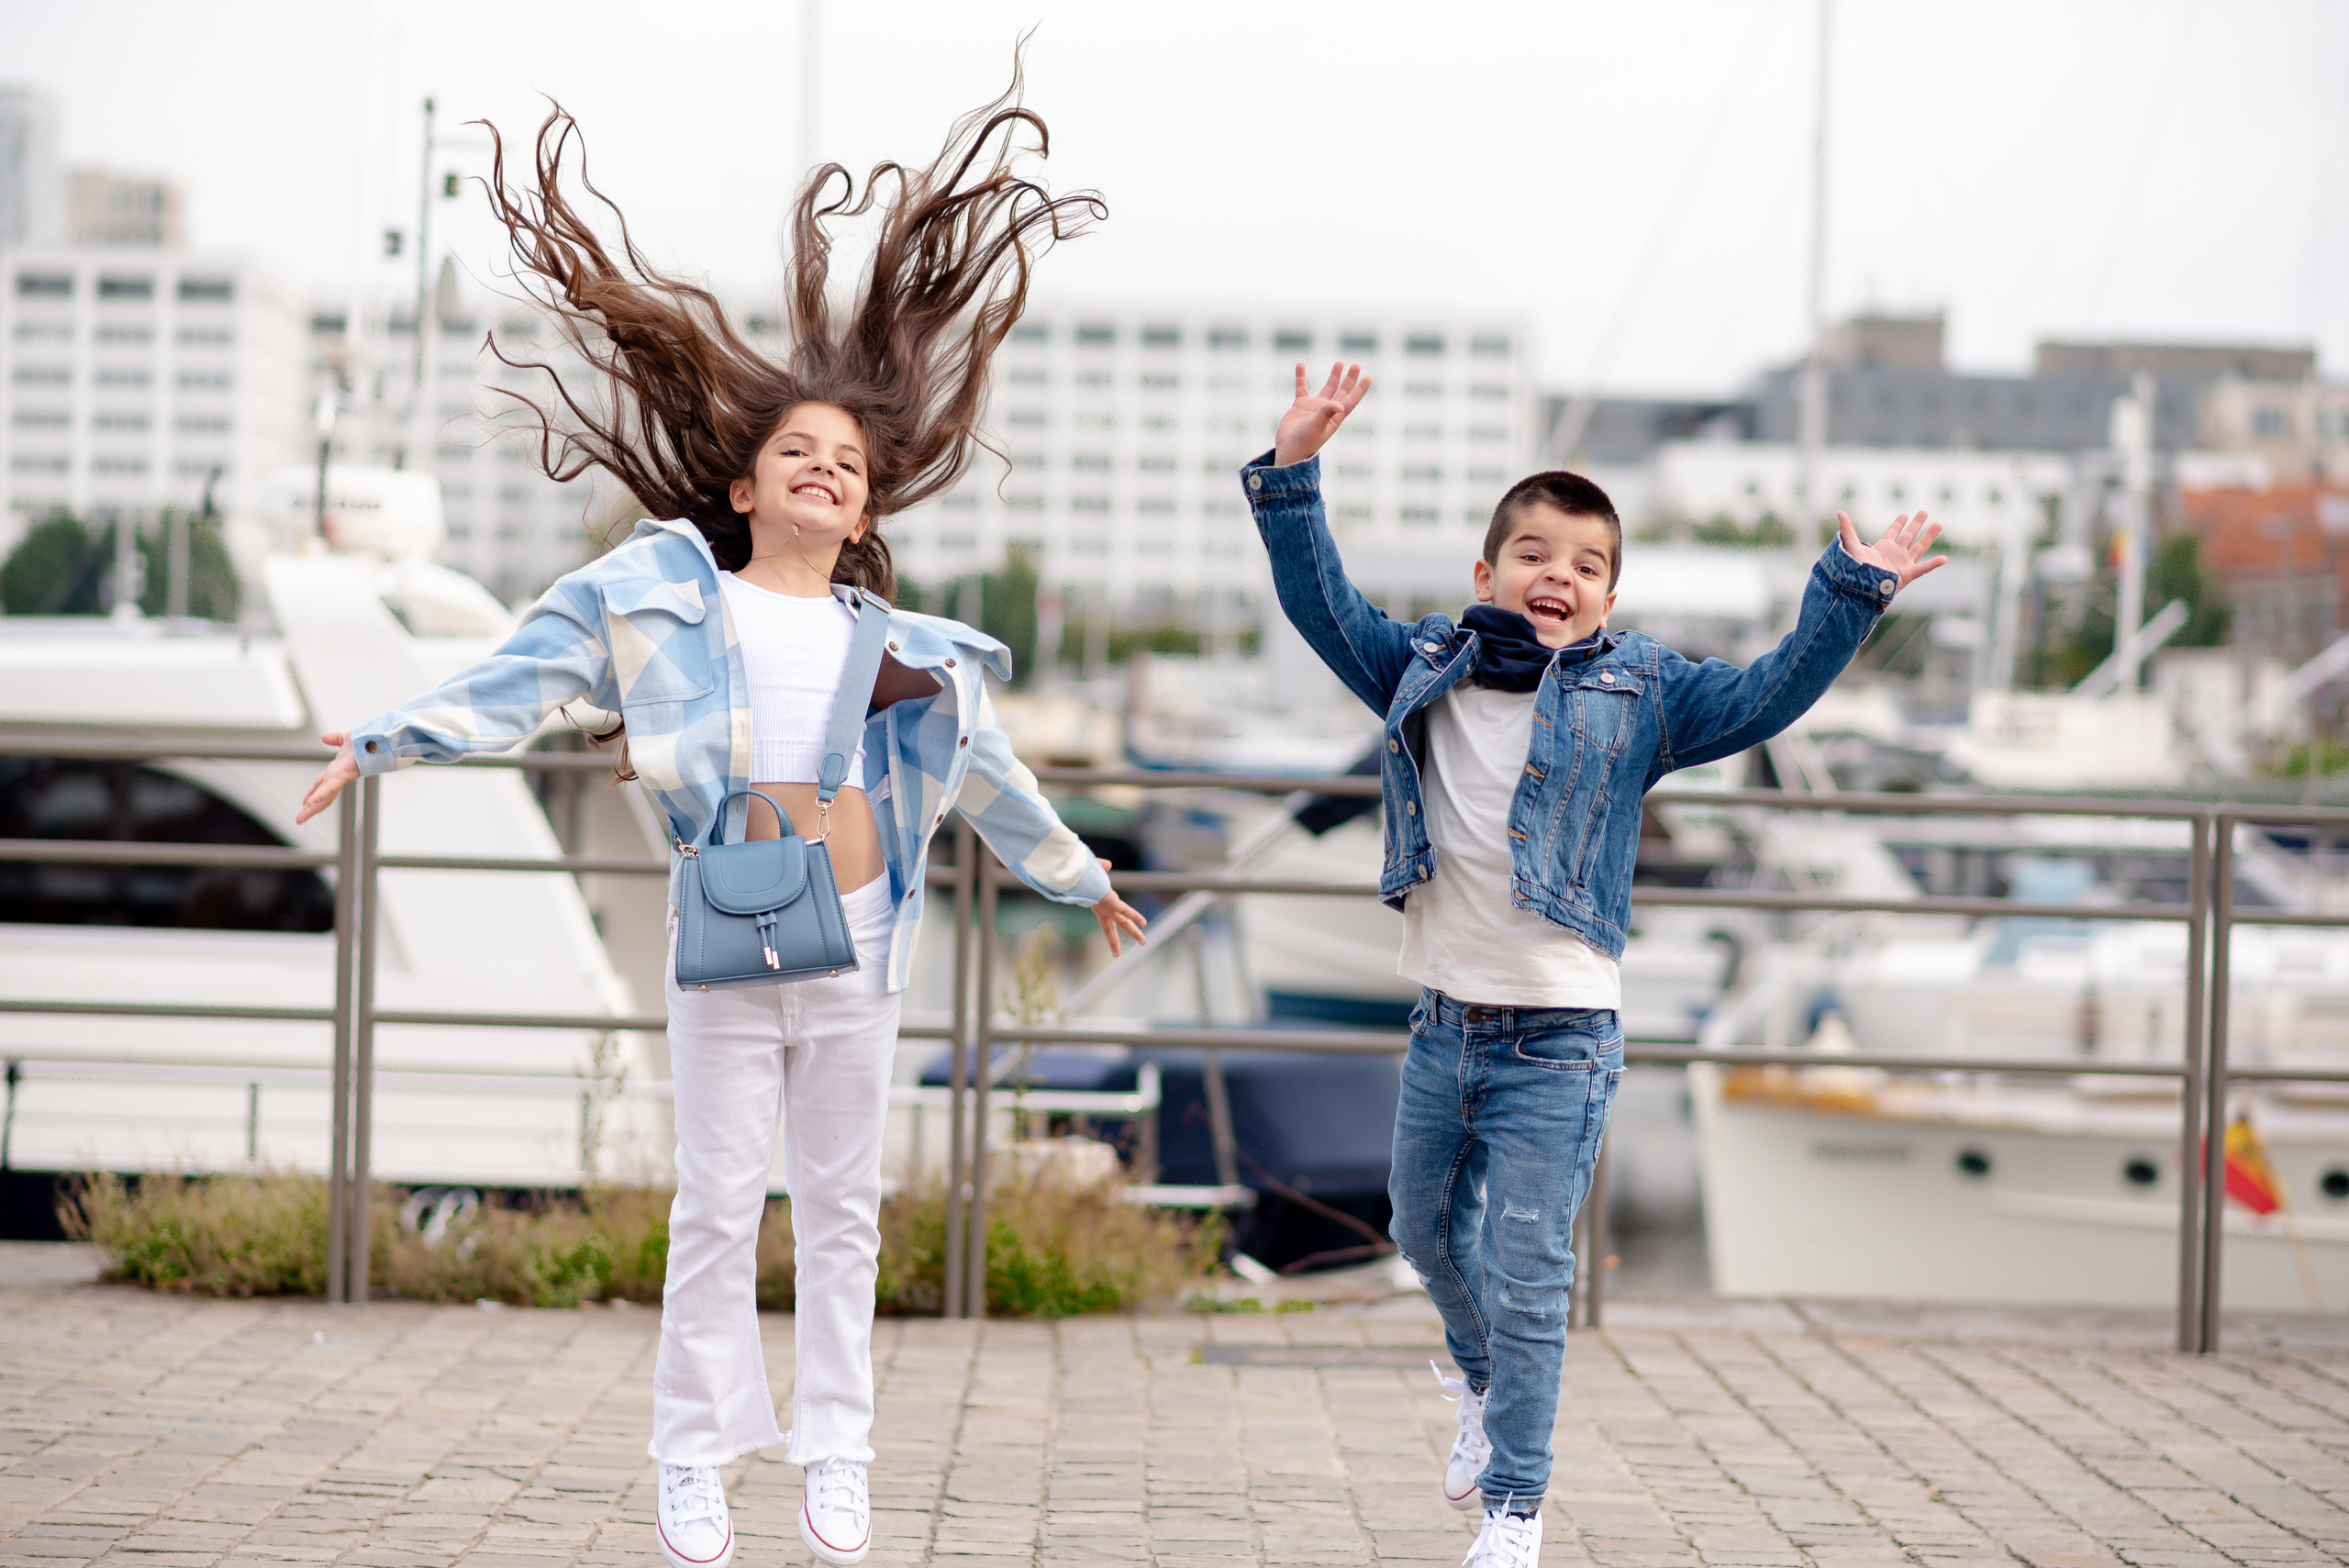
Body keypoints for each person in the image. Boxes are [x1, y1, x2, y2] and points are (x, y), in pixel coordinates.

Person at [295, 73, 1147, 1568]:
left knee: (843, 1213)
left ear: (868, 510)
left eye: (853, 465)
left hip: (864, 940)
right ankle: (691, 1457)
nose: (829, 469)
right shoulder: (656, 598)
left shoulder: (912, 643)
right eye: (801, 454)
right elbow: (520, 680)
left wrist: (1077, 880)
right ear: (746, 485)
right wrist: (381, 741)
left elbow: (997, 782)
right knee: (711, 1206)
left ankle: (840, 1453)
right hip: (728, 935)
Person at [1242, 363, 1943, 1567]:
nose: (1555, 574)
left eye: (1584, 563)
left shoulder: (1643, 694)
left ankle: (1517, 1504)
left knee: (1524, 1268)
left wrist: (1850, 589)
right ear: (1486, 574)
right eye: (1531, 551)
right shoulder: (1422, 669)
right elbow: (1323, 607)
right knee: (1418, 1228)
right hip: (1444, 1024)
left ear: (1610, 596)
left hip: (1561, 1038)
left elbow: (1771, 694)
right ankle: (1480, 1386)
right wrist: (1293, 473)